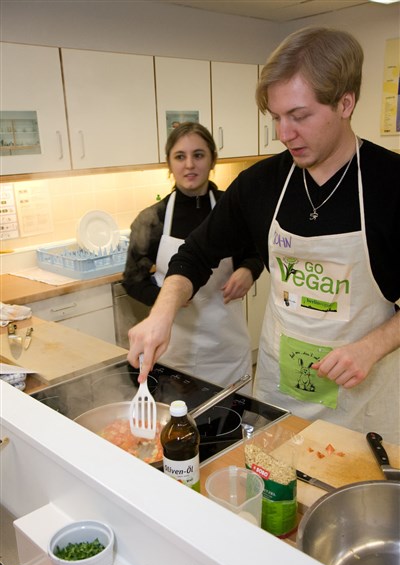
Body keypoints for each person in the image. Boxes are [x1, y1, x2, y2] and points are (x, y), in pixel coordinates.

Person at [127, 28, 400, 444]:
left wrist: (372, 346)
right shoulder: (260, 185)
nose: (283, 133)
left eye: (299, 115)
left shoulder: (392, 185)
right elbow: (195, 254)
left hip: (364, 400)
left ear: (346, 103)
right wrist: (161, 314)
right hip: (281, 393)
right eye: (276, 117)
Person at [122, 122, 263, 388]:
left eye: (198, 155)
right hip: (174, 351)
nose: (189, 164)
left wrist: (249, 269)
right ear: (169, 164)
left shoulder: (231, 209)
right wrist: (168, 298)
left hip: (227, 350)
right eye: (180, 156)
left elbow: (255, 251)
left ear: (212, 160)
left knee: (230, 425)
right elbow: (132, 279)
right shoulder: (154, 219)